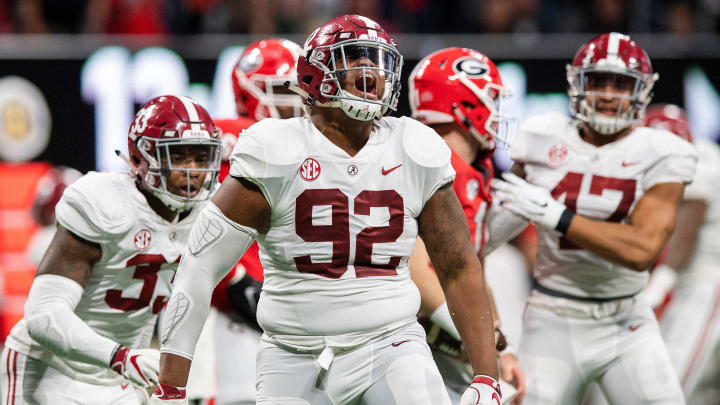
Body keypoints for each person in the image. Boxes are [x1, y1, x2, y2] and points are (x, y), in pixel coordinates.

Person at [150, 14, 501, 405]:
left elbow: (459, 266)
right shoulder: (275, 149)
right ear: (316, 75)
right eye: (354, 57)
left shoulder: (415, 147)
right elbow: (199, 267)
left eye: (377, 59)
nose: (370, 69)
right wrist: (171, 387)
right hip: (291, 352)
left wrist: (488, 377)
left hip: (391, 343)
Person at [491, 33, 697, 404]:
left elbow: (641, 249)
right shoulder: (541, 137)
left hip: (626, 319)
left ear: (641, 91)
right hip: (554, 314)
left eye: (620, 84)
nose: (606, 93)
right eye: (597, 81)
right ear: (577, 84)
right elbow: (486, 235)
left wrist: (557, 216)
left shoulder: (662, 152)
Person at [0, 95, 222, 404]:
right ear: (142, 158)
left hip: (120, 379)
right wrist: (122, 357)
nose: (193, 171)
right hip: (50, 370)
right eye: (179, 157)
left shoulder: (209, 216)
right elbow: (42, 316)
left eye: (201, 158)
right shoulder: (104, 204)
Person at [407, 46, 525, 404]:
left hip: (439, 328)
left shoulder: (473, 172)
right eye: (490, 98)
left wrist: (499, 344)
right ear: (462, 104)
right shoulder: (428, 162)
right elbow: (413, 264)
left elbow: (471, 270)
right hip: (402, 332)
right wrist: (478, 339)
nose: (497, 111)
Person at [209, 37, 305, 405]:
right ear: (250, 92)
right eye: (285, 88)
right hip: (237, 309)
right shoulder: (233, 134)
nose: (298, 99)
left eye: (301, 87)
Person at [641, 104, 720, 405]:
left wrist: (654, 292)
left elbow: (687, 233)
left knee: (669, 389)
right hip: (688, 282)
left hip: (708, 284)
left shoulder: (701, 158)